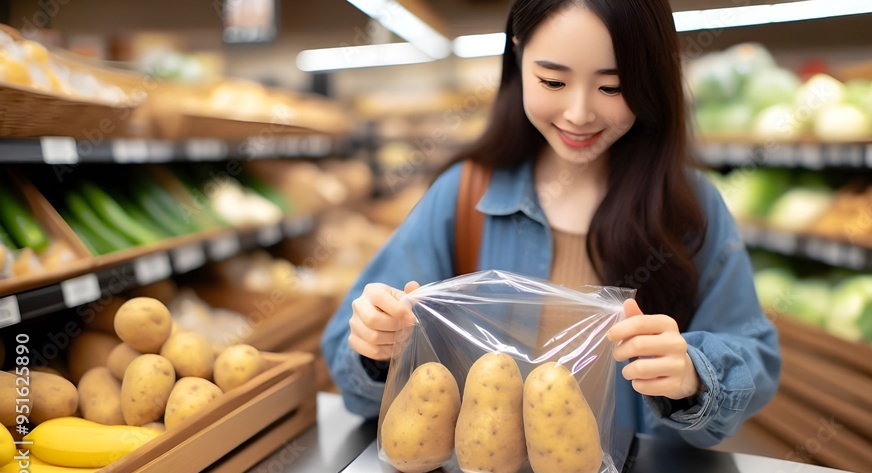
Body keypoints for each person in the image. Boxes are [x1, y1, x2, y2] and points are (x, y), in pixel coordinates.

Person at [321, 0, 781, 448]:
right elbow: (348, 357)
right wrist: (374, 347)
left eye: (612, 87)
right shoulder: (463, 196)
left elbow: (755, 355)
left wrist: (694, 373)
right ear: (517, 54)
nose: (579, 114)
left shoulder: (691, 208)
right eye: (553, 81)